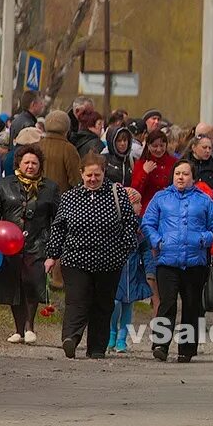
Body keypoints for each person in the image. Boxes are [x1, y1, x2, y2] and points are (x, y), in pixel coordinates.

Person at [46, 153, 139, 359]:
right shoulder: (70, 197)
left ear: (104, 173)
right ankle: (70, 338)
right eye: (89, 175)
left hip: (109, 261)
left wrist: (123, 248)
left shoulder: (117, 194)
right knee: (77, 300)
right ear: (81, 173)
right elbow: (59, 227)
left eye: (97, 174)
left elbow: (130, 223)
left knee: (103, 304)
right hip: (76, 260)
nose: (93, 179)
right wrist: (52, 255)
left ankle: (97, 347)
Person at [141, 159, 213, 363]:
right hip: (167, 261)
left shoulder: (204, 200)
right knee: (167, 303)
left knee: (191, 306)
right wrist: (157, 241)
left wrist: (204, 239)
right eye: (177, 173)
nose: (180, 177)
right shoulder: (161, 198)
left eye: (185, 174)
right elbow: (147, 223)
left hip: (195, 263)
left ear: (193, 177)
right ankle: (161, 344)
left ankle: (186, 349)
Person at [0, 144, 59, 344]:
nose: (30, 166)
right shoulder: (4, 184)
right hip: (9, 244)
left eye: (34, 163)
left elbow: (57, 218)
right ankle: (18, 329)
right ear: (19, 163)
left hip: (37, 243)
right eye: (26, 162)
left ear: (40, 166)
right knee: (13, 285)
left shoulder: (50, 188)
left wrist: (52, 247)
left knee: (32, 284)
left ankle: (30, 326)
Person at [110, 187, 152, 353]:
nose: (140, 206)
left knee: (128, 305)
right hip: (116, 269)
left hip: (133, 270)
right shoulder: (113, 223)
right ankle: (111, 332)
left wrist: (149, 270)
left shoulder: (141, 226)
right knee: (114, 303)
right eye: (136, 203)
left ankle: (122, 338)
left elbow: (146, 249)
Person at [38, 110, 82, 194]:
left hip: (38, 197)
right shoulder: (69, 149)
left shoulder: (37, 146)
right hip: (61, 199)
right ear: (67, 127)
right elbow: (76, 180)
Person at [131, 128, 175, 208]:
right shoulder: (141, 164)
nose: (159, 149)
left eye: (162, 146)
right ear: (148, 145)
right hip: (147, 209)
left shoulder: (174, 163)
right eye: (155, 146)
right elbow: (135, 191)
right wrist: (144, 172)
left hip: (169, 208)